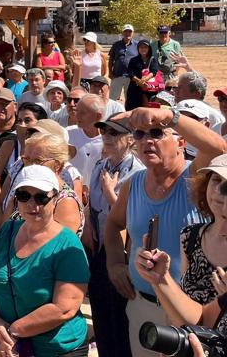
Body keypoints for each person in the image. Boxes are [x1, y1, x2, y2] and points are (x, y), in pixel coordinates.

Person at [104, 105, 225, 357]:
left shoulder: (197, 179)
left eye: (157, 133)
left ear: (181, 141)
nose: (147, 140)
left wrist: (171, 116)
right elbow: (114, 224)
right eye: (139, 134)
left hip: (195, 312)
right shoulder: (133, 183)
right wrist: (115, 263)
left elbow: (218, 150)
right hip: (143, 307)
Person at [0, 165, 90, 357]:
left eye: (41, 197)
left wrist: (12, 333)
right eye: (23, 196)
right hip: (5, 341)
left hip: (55, 348)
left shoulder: (67, 246)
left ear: (55, 199)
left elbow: (64, 308)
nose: (32, 204)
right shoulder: (7, 230)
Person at [134, 153, 227, 337]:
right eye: (215, 179)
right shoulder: (190, 236)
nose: (219, 191)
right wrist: (160, 279)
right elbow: (199, 318)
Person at [86, 115, 145, 357]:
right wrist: (89, 227)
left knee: (120, 316)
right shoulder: (101, 165)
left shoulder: (138, 172)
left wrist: (111, 193)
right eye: (104, 132)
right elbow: (92, 204)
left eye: (114, 133)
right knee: (100, 312)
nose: (107, 138)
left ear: (130, 139)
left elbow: (131, 218)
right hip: (99, 248)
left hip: (123, 254)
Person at [2, 130, 84, 236]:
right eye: (26, 159)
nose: (30, 166)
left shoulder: (65, 201)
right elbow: (3, 231)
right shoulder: (22, 189)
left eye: (37, 161)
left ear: (57, 166)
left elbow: (56, 246)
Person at [67, 94, 106, 188]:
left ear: (98, 116)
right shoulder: (67, 133)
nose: (77, 116)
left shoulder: (109, 140)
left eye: (83, 113)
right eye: (77, 111)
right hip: (71, 192)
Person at [124, 40, 160, 111]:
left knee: (148, 109)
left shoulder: (153, 59)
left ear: (149, 48)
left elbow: (154, 72)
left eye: (145, 47)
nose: (143, 49)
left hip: (150, 89)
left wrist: (144, 80)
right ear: (138, 49)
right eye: (141, 47)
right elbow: (130, 73)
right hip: (135, 88)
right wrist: (139, 81)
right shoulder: (133, 60)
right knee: (133, 108)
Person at [109, 24, 138, 101]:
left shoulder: (137, 45)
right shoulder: (116, 45)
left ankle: (128, 113)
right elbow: (111, 59)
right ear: (122, 33)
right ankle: (112, 113)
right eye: (126, 31)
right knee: (112, 99)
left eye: (129, 31)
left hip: (131, 77)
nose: (127, 33)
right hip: (117, 75)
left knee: (130, 99)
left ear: (133, 33)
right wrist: (110, 72)